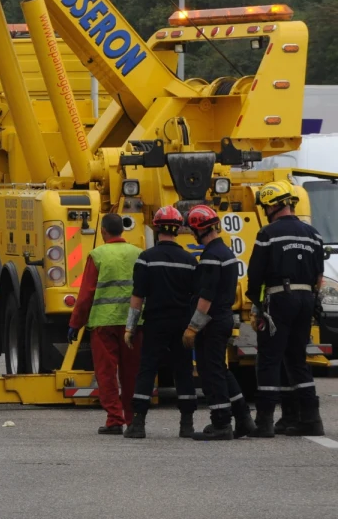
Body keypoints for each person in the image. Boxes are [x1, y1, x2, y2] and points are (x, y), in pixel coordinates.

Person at [245, 181, 327, 437]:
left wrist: (256, 306)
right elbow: (319, 275)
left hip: (279, 299)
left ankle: (265, 422)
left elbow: (255, 274)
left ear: (271, 205)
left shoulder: (268, 234)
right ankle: (308, 419)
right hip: (306, 300)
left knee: (269, 358)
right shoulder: (314, 234)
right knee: (297, 359)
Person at [182, 205, 257, 440]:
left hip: (211, 322)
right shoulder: (225, 252)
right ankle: (243, 419)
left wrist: (192, 327)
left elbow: (206, 297)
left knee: (210, 372)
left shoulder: (211, 256)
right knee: (221, 371)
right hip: (223, 319)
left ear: (198, 230)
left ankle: (221, 424)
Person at [124, 206, 199, 440]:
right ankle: (186, 424)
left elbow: (138, 296)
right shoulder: (190, 261)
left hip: (155, 323)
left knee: (147, 369)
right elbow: (196, 297)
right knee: (184, 371)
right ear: (178, 229)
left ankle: (138, 424)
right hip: (182, 323)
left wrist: (130, 327)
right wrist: (193, 327)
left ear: (156, 228)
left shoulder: (146, 259)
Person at [67, 213, 143, 435]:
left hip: (104, 324)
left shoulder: (98, 255)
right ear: (123, 230)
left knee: (106, 373)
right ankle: (132, 419)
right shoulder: (138, 253)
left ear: (103, 232)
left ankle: (114, 420)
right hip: (133, 323)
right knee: (131, 373)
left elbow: (86, 294)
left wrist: (75, 323)